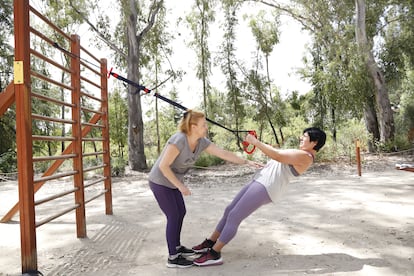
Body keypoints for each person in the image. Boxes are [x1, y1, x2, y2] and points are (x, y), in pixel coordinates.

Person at [192, 127, 326, 266]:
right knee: (229, 210)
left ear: (314, 142)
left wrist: (255, 142)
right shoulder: (301, 152)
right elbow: (277, 157)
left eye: (304, 136)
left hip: (267, 187)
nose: (301, 138)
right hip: (261, 180)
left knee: (234, 216)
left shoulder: (306, 156)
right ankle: (211, 242)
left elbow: (278, 155)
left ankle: (214, 254)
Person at [148, 109, 262, 268]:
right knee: (173, 215)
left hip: (173, 183)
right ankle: (173, 258)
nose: (206, 127)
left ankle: (176, 247)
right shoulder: (179, 140)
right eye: (203, 124)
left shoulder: (201, 142)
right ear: (193, 126)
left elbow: (223, 153)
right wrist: (180, 186)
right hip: (160, 181)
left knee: (181, 212)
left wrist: (246, 162)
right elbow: (163, 166)